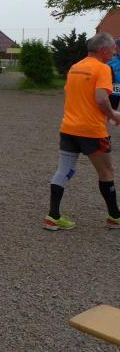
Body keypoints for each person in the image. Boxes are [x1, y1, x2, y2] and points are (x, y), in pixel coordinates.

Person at [45, 32, 120, 230]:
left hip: (69, 127)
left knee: (64, 171)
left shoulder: (75, 67)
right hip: (92, 130)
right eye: (113, 49)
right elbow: (101, 99)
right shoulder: (102, 68)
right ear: (103, 50)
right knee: (106, 171)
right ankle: (114, 217)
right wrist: (113, 115)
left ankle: (53, 216)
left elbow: (71, 94)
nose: (114, 52)